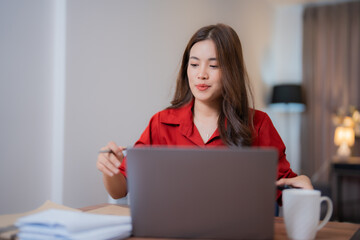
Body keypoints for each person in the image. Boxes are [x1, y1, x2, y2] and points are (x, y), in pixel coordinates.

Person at [96, 23, 313, 203]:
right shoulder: (161, 123)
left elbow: (284, 191)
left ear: (231, 71)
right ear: (186, 69)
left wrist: (303, 189)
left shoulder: (258, 123)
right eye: (194, 64)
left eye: (213, 66)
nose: (201, 75)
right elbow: (120, 190)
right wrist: (110, 168)